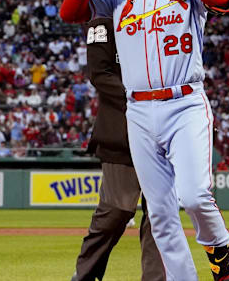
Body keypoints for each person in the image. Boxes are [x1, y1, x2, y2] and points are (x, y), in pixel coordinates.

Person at [61, 0, 229, 281]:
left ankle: (222, 259)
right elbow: (70, 11)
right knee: (159, 213)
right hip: (139, 109)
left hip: (184, 102)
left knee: (194, 195)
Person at [71, 17, 163, 281]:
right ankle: (84, 275)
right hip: (120, 134)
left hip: (162, 136)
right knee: (115, 212)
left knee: (160, 216)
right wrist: (142, 99)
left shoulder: (164, 23)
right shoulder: (103, 23)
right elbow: (99, 74)